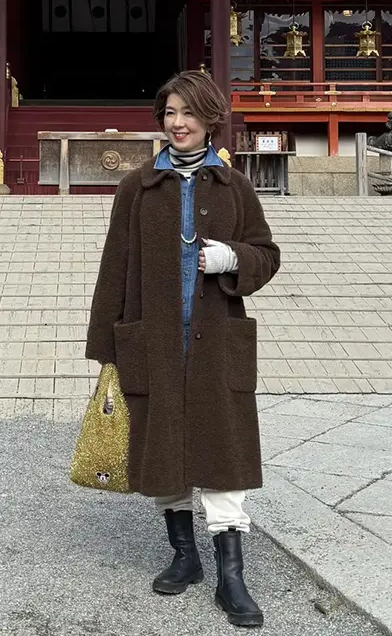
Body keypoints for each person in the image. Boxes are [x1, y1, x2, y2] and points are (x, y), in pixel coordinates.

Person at [85, 70, 280, 628]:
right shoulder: (138, 187)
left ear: (210, 119)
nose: (178, 123)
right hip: (154, 340)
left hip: (217, 341)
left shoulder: (234, 186)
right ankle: (184, 555)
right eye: (170, 113)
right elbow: (115, 266)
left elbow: (267, 253)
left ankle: (231, 575)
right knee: (164, 449)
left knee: (224, 454)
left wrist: (233, 259)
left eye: (188, 113)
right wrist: (107, 346)